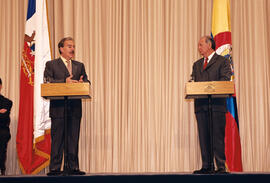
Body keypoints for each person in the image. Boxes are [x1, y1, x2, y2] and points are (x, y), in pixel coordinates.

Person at [44, 37, 90, 176]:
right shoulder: (51, 64)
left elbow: (87, 81)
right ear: (61, 49)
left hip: (74, 108)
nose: (72, 49)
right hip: (58, 108)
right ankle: (55, 168)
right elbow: (47, 81)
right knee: (58, 138)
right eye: (69, 46)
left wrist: (82, 83)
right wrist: (64, 82)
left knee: (73, 138)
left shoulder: (79, 65)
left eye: (73, 46)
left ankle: (73, 167)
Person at [191, 36, 232, 174]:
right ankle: (206, 166)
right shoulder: (196, 65)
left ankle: (220, 166)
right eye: (198, 45)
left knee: (217, 137)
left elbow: (225, 80)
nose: (199, 47)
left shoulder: (223, 61)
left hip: (217, 106)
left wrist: (210, 87)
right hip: (201, 106)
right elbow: (193, 82)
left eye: (201, 44)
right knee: (203, 137)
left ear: (209, 45)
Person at [0, 78, 13, 176]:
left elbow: (3, 117)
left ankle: (2, 169)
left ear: (0, 86)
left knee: (2, 135)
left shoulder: (6, 102)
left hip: (1, 129)